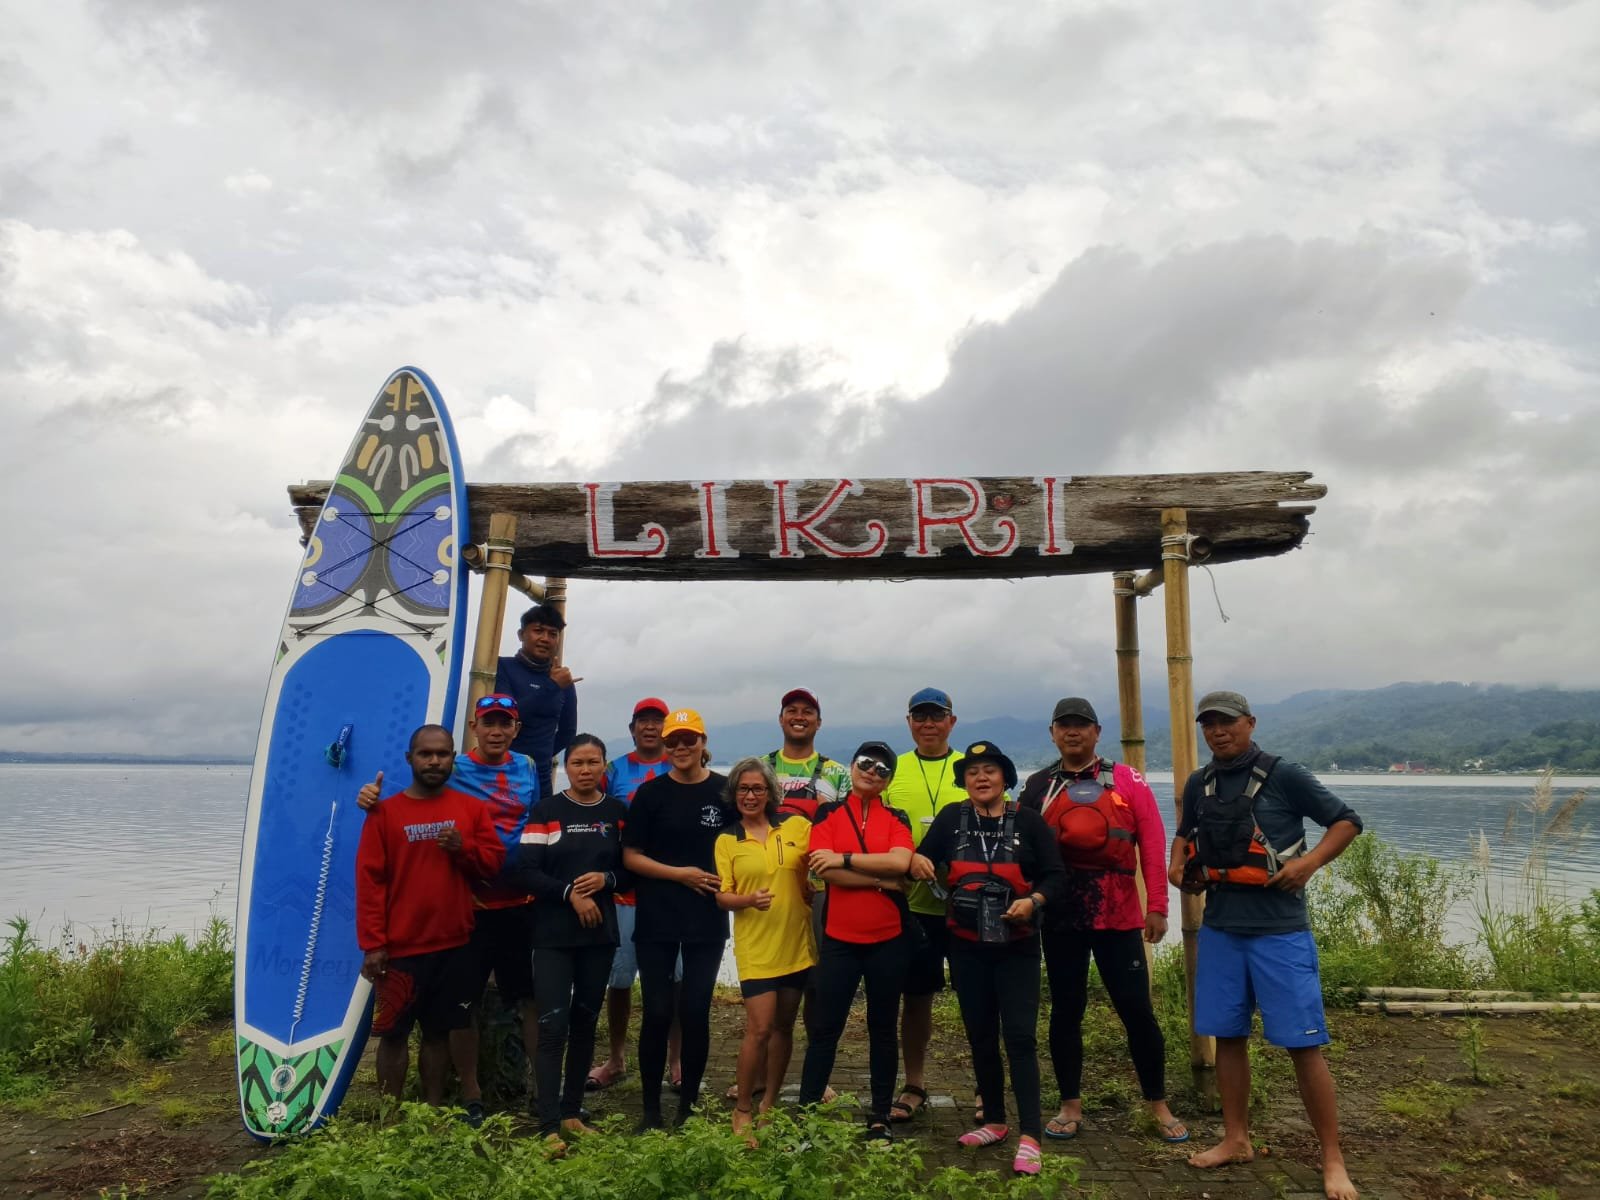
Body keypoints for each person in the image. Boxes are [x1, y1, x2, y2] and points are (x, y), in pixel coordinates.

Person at [1168, 691, 1363, 1200]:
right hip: (1222, 929)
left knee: (1303, 1044)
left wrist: (1310, 862)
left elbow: (1346, 821)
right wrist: (1177, 865)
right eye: (1208, 724)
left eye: (1227, 722)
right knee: (1228, 1037)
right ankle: (1236, 1139)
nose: (1218, 731)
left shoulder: (1285, 775)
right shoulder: (1199, 783)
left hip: (1281, 933)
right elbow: (1184, 835)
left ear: (1250, 723)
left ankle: (1332, 1158)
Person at [357, 694, 541, 1108]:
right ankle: (391, 1117)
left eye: (442, 754)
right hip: (402, 945)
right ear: (410, 758)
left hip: (457, 938)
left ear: (452, 758)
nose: (435, 762)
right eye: (426, 754)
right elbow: (370, 882)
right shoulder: (385, 813)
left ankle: (435, 1109)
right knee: (393, 1033)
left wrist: (462, 850)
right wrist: (373, 943)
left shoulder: (474, 806)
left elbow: (491, 863)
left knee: (442, 1029)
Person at [1017, 697, 1184, 1143]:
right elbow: (1022, 853)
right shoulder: (1037, 786)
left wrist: (1158, 908)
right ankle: (1070, 1104)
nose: (1073, 733)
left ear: (1096, 733)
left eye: (1082, 726)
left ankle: (1158, 1103)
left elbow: (1151, 841)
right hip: (1061, 915)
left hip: (1119, 914)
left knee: (1136, 1011)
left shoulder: (1127, 780)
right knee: (1067, 1010)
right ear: (1052, 733)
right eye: (1064, 726)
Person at [911, 741, 1063, 1176]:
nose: (981, 777)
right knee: (980, 1035)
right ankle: (994, 1120)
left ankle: (1030, 1134)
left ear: (1005, 778)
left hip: (1016, 947)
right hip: (965, 947)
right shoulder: (951, 820)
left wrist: (1033, 900)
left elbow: (1056, 876)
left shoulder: (1029, 823)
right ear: (964, 781)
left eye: (990, 770)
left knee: (1019, 1037)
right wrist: (919, 861)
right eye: (973, 771)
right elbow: (923, 855)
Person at [508, 734, 632, 1143]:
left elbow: (631, 869)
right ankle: (547, 1126)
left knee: (584, 1025)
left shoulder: (617, 812)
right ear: (565, 766)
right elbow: (525, 871)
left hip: (598, 937)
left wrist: (607, 879)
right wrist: (571, 895)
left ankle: (572, 1112)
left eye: (593, 762)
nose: (585, 770)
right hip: (552, 937)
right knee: (552, 1027)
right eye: (577, 763)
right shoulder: (546, 811)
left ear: (603, 767)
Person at [797, 741, 915, 1141]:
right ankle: (807, 1114)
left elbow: (901, 861)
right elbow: (821, 869)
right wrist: (883, 880)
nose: (873, 771)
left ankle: (880, 1115)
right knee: (826, 1029)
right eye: (866, 763)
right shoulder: (829, 813)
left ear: (888, 781)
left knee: (884, 1029)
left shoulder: (896, 817)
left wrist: (845, 859)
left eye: (883, 769)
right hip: (839, 938)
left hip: (888, 939)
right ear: (852, 767)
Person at [620, 708, 731, 1130]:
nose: (681, 748)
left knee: (697, 1009)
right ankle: (650, 1110)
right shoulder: (650, 795)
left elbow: (745, 843)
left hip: (706, 918)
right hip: (657, 917)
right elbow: (631, 857)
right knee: (658, 1011)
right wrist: (679, 875)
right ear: (664, 747)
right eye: (673, 742)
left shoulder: (725, 792)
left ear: (703, 743)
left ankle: (687, 1108)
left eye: (689, 739)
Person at [714, 757, 816, 1141]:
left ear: (771, 793)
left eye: (758, 788)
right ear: (734, 794)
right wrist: (746, 901)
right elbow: (722, 897)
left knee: (784, 1027)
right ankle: (742, 1108)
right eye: (743, 789)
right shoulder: (728, 839)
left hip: (796, 943)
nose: (751, 795)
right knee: (758, 1029)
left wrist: (813, 884)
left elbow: (817, 865)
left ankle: (769, 1103)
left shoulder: (797, 827)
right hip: (756, 947)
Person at [588, 698, 680, 1093]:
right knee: (620, 980)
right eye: (643, 721)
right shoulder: (614, 770)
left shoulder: (679, 763)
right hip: (625, 892)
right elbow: (597, 816)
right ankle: (617, 1057)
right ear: (632, 729)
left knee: (677, 981)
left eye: (657, 721)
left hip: (672, 891)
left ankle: (677, 1060)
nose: (650, 727)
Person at [882, 686, 965, 1124]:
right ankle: (913, 1083)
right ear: (909, 722)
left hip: (965, 905)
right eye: (920, 716)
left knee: (978, 999)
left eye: (937, 716)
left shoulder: (969, 767)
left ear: (952, 721)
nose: (929, 723)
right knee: (915, 999)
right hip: (912, 906)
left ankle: (987, 1090)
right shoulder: (894, 769)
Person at [495, 603, 580, 798]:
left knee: (539, 828)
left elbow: (568, 733)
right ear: (521, 634)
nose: (545, 639)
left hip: (540, 777)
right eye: (538, 631)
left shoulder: (563, 680)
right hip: (500, 770)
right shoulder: (502, 667)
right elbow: (507, 715)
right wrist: (552, 686)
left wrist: (541, 756)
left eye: (553, 634)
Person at [764, 688, 850, 822]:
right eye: (792, 711)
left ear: (819, 722)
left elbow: (847, 825)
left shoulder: (837, 773)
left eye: (807, 712)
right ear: (781, 719)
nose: (799, 717)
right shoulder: (760, 767)